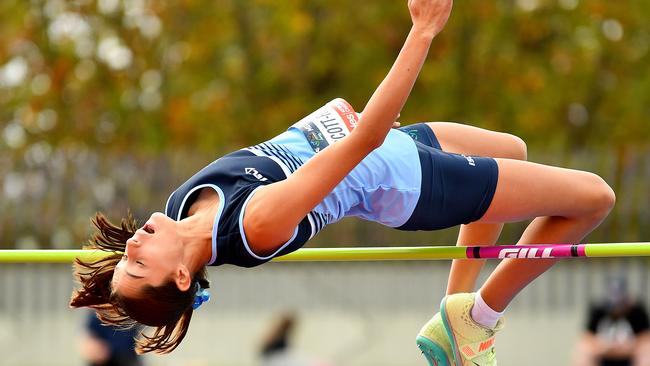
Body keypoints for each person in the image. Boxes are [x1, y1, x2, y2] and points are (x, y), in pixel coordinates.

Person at [69, 0, 616, 364]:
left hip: (390, 147)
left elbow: (285, 149)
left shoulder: (183, 201)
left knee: (511, 150)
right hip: (406, 179)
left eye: (126, 257)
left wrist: (329, 118)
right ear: (184, 276)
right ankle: (480, 316)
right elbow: (364, 146)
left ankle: (451, 320)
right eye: (140, 263)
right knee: (594, 198)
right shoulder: (253, 226)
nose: (134, 243)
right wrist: (423, 31)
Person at [574, 276, 650, 366]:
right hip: (604, 355)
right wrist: (603, 347)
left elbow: (646, 337)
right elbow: (587, 337)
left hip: (630, 355)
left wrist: (628, 348)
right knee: (583, 350)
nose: (616, 308)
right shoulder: (598, 310)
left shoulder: (637, 311)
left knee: (646, 351)